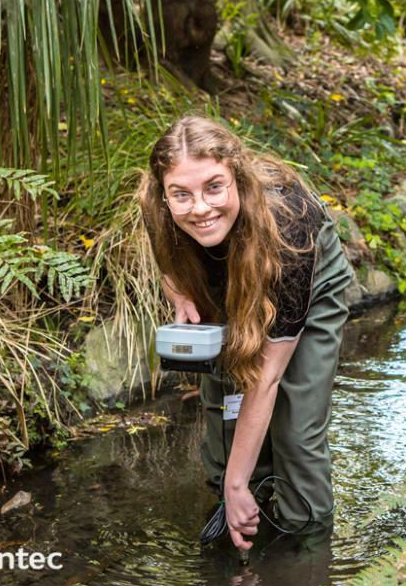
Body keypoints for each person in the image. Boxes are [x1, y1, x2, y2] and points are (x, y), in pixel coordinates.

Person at [139, 116, 353, 550]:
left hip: (301, 278)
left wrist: (237, 483)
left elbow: (267, 376)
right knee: (227, 430)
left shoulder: (290, 225)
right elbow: (164, 248)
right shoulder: (157, 206)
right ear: (164, 195)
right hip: (222, 274)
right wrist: (176, 285)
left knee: (295, 432)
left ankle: (303, 557)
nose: (199, 208)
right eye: (181, 194)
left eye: (214, 187)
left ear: (237, 177)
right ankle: (239, 519)